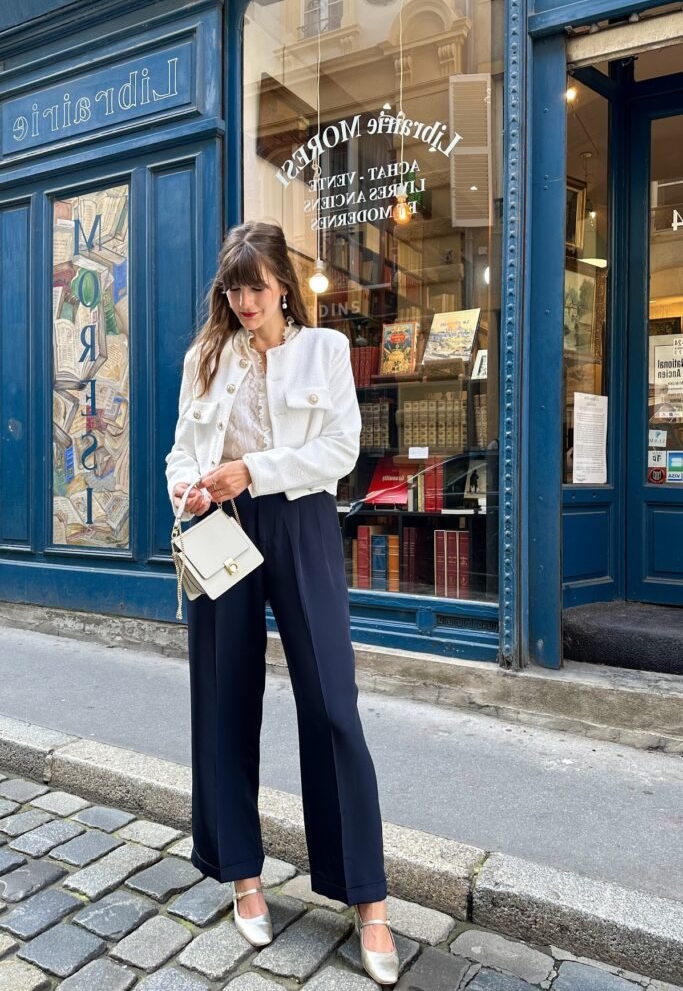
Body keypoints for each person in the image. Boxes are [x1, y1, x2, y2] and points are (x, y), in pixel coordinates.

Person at [165, 221, 399, 984]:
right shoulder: (206, 355)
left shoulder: (322, 351)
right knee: (223, 697)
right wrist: (187, 483)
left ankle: (366, 898)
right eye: (234, 290)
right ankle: (243, 873)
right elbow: (179, 447)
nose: (245, 303)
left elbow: (339, 450)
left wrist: (249, 471)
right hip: (218, 524)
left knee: (332, 701)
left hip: (296, 519)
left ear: (284, 286)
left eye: (257, 288)